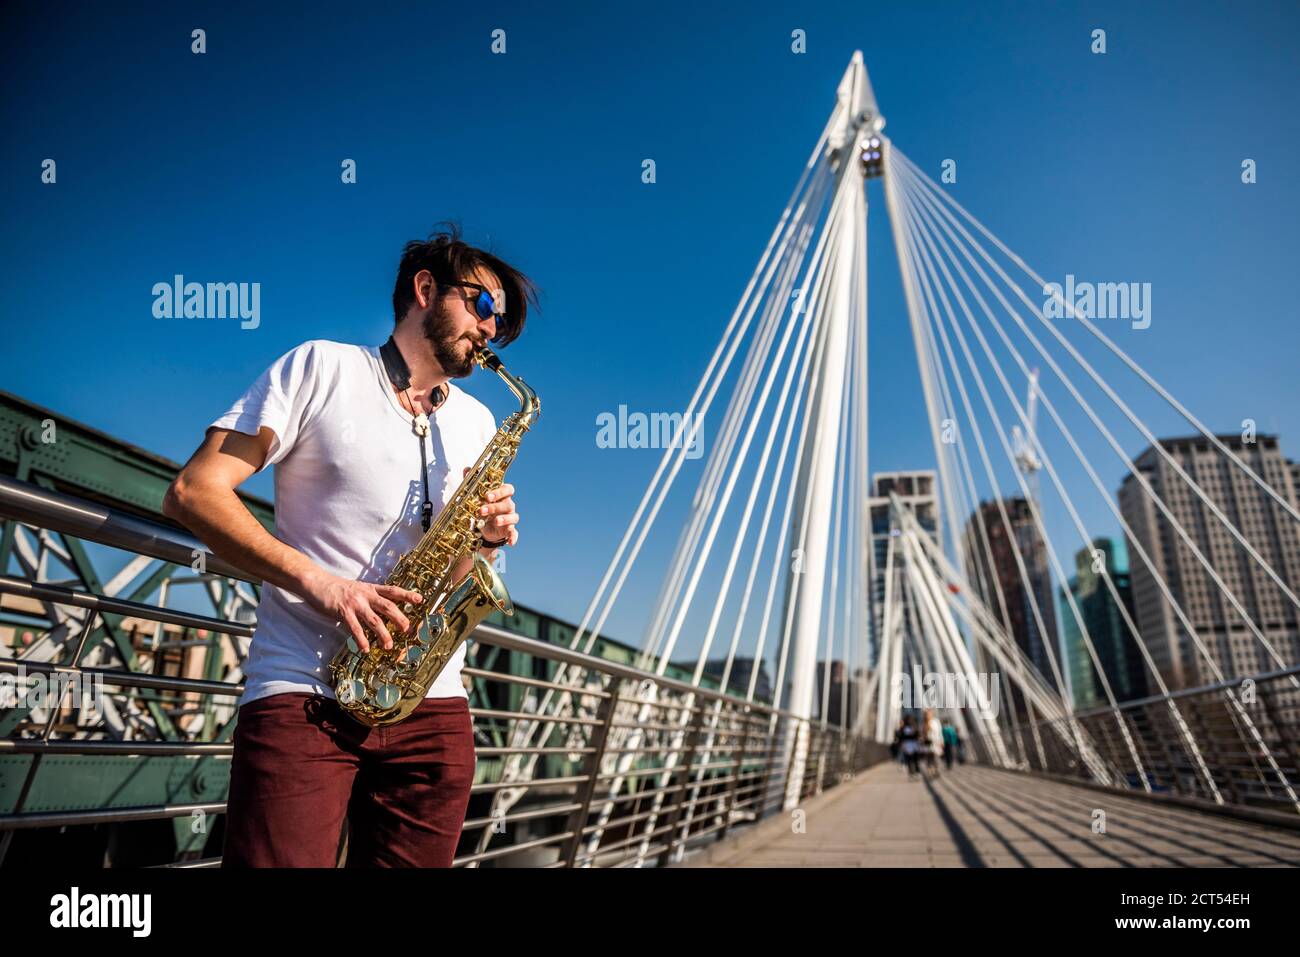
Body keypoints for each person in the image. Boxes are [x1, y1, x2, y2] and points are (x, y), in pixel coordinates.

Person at [163, 223, 538, 867]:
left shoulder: (476, 422)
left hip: (434, 704)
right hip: (304, 693)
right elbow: (195, 492)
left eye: (499, 325)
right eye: (481, 306)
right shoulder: (323, 367)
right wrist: (325, 585)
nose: (489, 331)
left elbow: (458, 576)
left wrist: (484, 542)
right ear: (426, 289)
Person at [922, 708, 944, 778]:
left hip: (935, 742)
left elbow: (940, 732)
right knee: (928, 759)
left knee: (936, 758)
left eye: (929, 714)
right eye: (927, 714)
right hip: (927, 743)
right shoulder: (923, 723)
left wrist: (941, 741)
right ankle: (930, 772)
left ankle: (936, 770)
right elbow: (922, 734)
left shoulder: (936, 722)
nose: (928, 715)